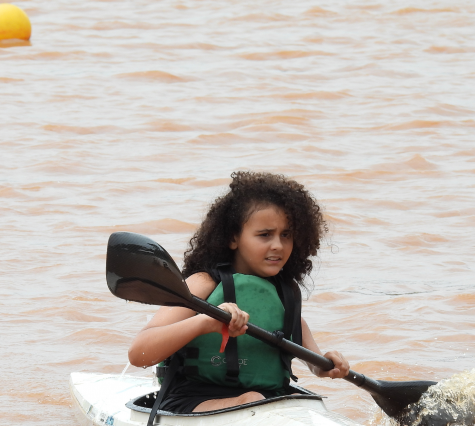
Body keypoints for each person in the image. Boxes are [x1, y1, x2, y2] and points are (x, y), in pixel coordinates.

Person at [128, 171, 350, 413]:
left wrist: (326, 365)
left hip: (264, 398)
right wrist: (205, 322)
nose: (278, 245)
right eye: (265, 235)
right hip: (193, 399)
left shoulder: (285, 295)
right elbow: (139, 353)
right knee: (253, 399)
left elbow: (313, 361)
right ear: (233, 237)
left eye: (286, 235)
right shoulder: (203, 283)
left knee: (305, 402)